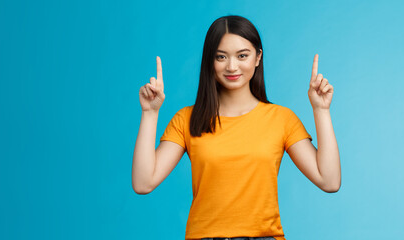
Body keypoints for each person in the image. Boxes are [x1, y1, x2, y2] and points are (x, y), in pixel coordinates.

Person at [132, 15, 340, 240]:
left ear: (258, 57)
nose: (232, 66)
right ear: (209, 60)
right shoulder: (188, 119)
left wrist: (321, 110)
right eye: (221, 57)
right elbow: (144, 183)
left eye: (242, 55)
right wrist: (150, 113)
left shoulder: (281, 119)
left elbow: (329, 181)